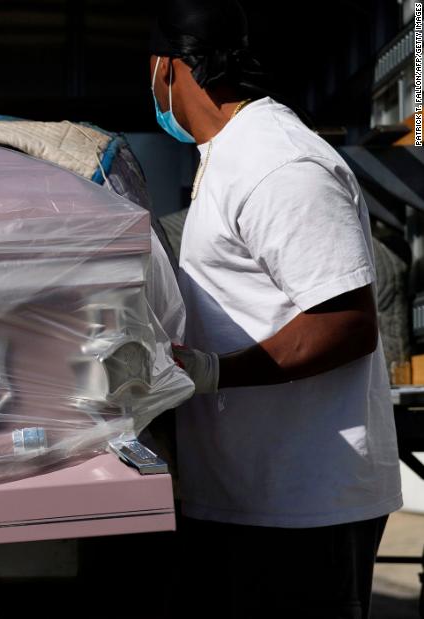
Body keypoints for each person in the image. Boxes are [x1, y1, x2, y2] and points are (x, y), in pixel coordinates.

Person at [148, 1, 402, 617]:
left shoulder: (279, 163)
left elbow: (344, 326)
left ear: (168, 70)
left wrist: (213, 373)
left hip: (302, 507)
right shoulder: (228, 156)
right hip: (246, 496)